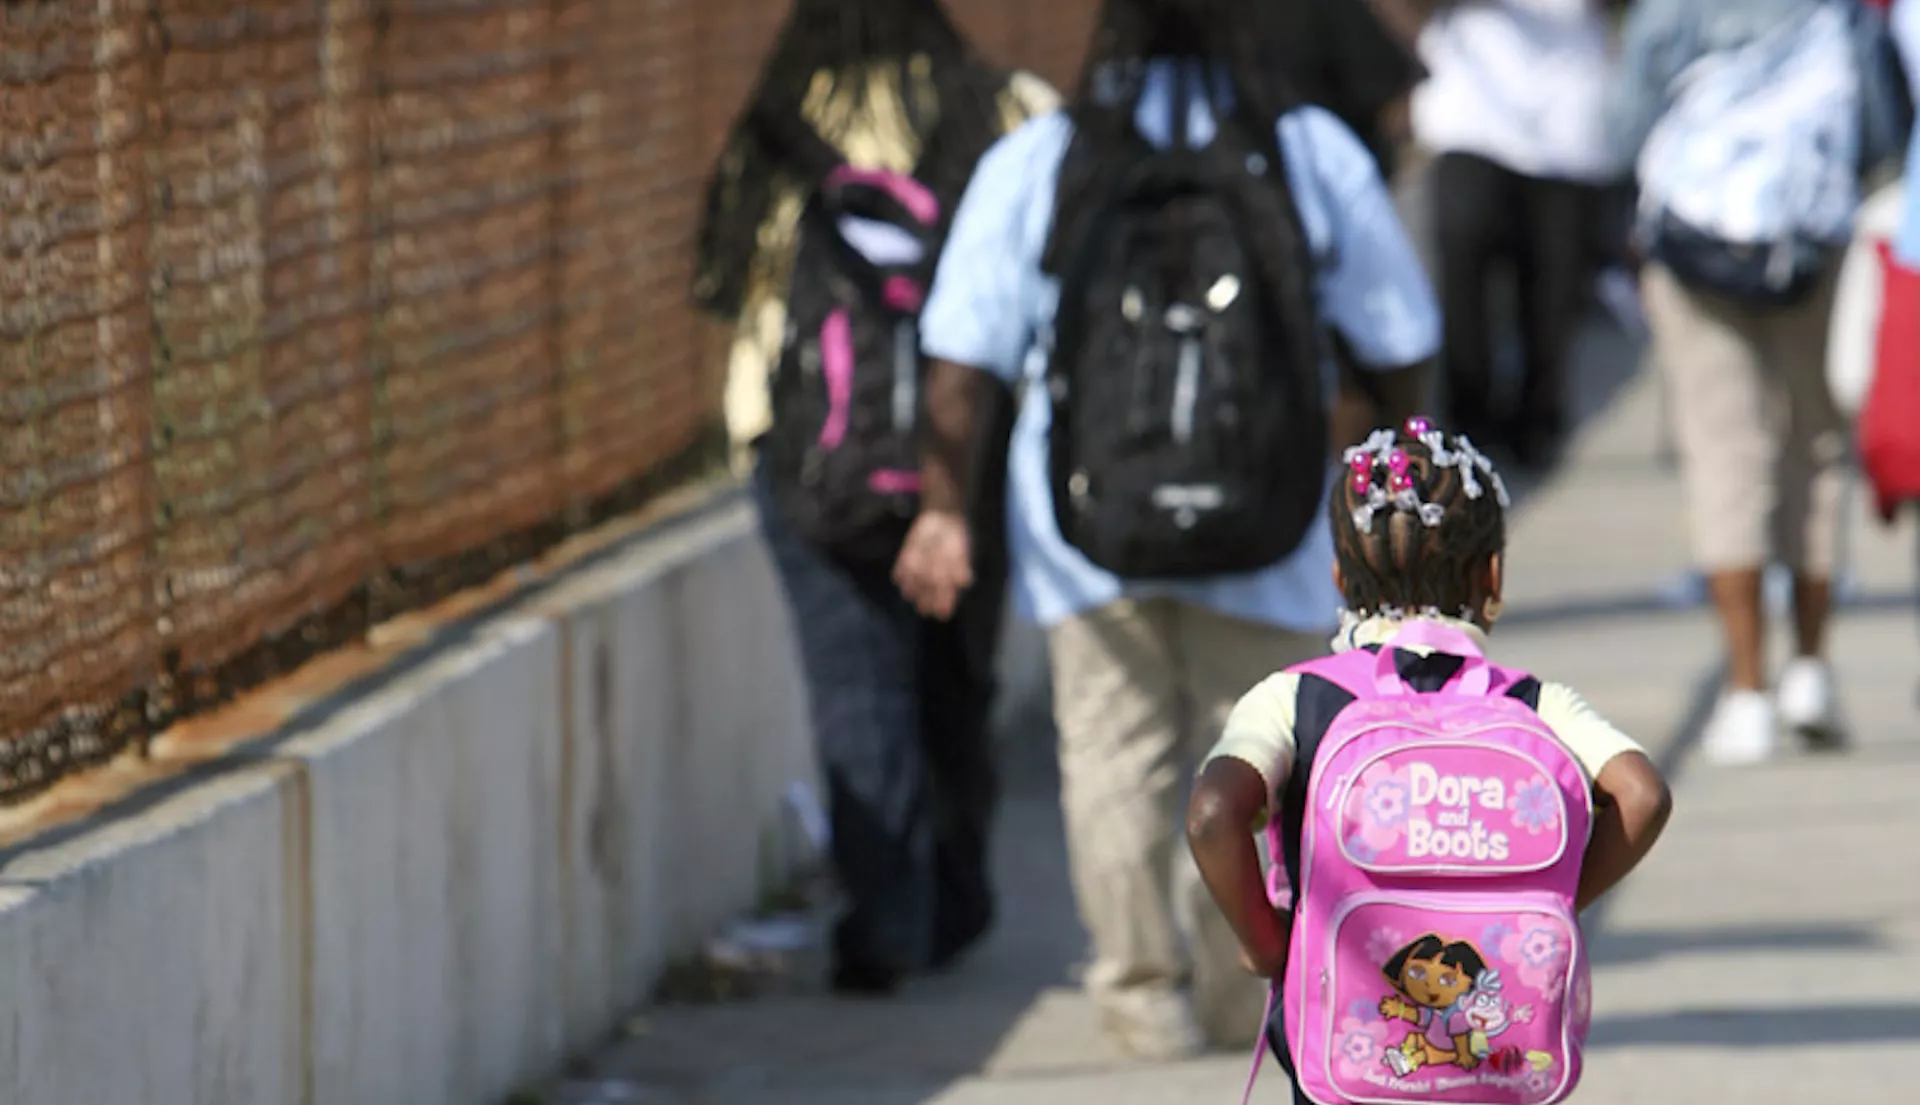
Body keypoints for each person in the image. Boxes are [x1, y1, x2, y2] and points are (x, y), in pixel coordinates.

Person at [892, 0, 1440, 1058]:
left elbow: (961, 360)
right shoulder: (1305, 148)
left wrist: (944, 506)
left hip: (1085, 527)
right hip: (1276, 524)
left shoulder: (1044, 158)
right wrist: (1388, 491)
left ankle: (1142, 994)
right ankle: (1255, 987)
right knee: (1270, 762)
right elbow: (1400, 335)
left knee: (1113, 757)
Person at [691, 0, 1058, 996]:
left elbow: (726, 280)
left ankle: (886, 913)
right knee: (953, 675)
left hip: (810, 453)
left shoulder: (782, 116)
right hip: (966, 450)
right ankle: (957, 893)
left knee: (856, 683)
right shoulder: (1007, 111)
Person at [1185, 420, 1674, 1103]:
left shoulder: (1295, 699)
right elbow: (1643, 794)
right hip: (1494, 1068)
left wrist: (1269, 945)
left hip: (1346, 1068)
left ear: (1338, 577)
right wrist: (1554, 895)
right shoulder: (1538, 704)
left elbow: (1213, 814)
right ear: (1493, 574)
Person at [1608, 0, 1908, 763]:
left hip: (1695, 248)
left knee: (1724, 453)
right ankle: (1811, 668)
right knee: (1815, 446)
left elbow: (1622, 130)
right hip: (1812, 245)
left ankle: (1745, 693)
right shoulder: (1839, 10)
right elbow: (1880, 129)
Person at [1409, 0, 1622, 468]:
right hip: (1470, 117)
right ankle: (1466, 429)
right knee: (1463, 272)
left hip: (1570, 123)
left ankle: (1538, 428)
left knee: (1553, 294)